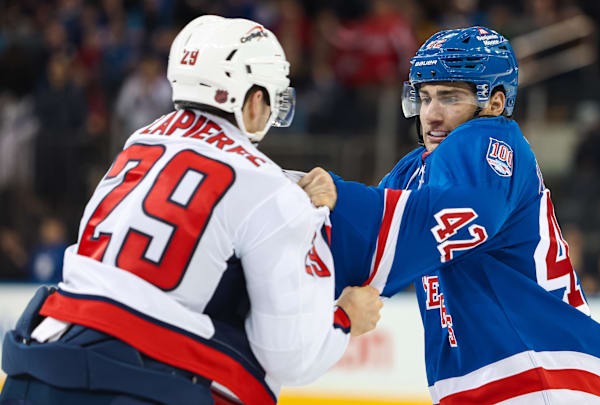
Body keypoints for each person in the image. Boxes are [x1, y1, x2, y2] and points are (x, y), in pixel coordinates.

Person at [0, 16, 382, 405]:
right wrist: (345, 317)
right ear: (253, 100)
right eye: (271, 97)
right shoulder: (268, 186)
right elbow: (290, 355)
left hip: (38, 357)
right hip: (130, 382)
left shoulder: (139, 141)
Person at [300, 26, 600, 404]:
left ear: (494, 102)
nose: (432, 115)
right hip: (505, 381)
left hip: (544, 373)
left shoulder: (492, 139)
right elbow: (373, 247)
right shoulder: (413, 171)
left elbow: (456, 213)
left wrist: (340, 199)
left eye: (450, 97)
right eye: (424, 98)